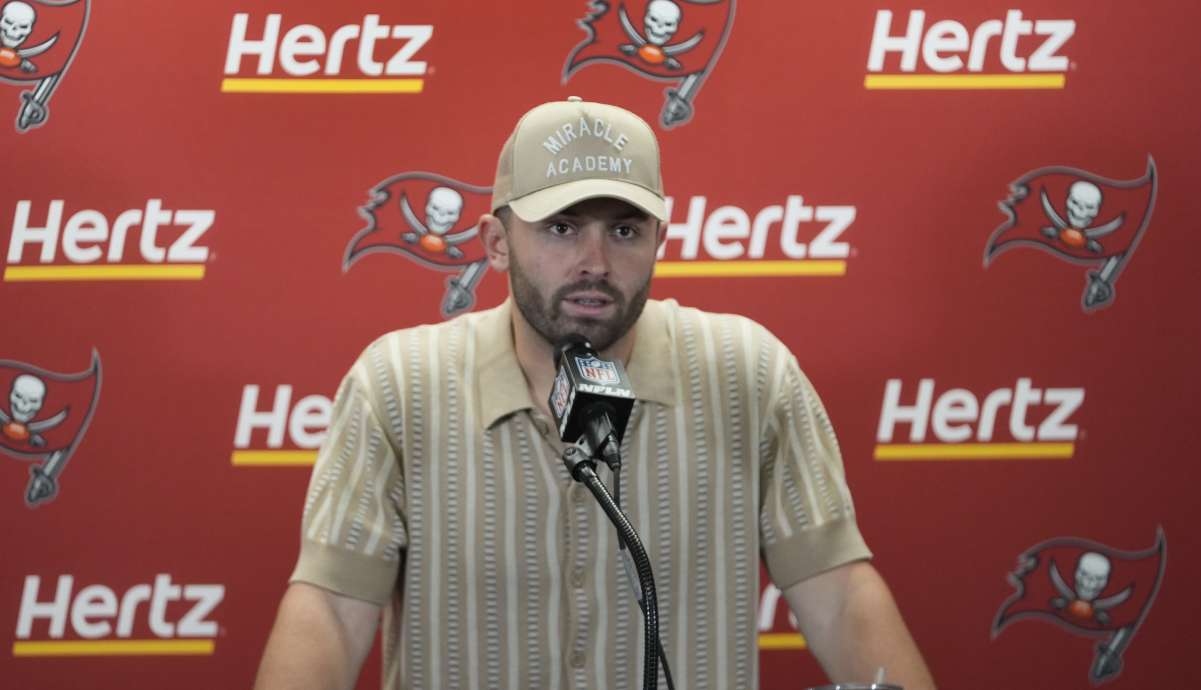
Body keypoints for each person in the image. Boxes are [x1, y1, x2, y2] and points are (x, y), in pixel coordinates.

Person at [254, 97, 936, 690]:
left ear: (661, 239)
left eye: (624, 229)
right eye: (560, 227)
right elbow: (332, 614)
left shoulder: (750, 374)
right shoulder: (399, 385)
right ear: (496, 242)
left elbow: (840, 595)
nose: (594, 262)